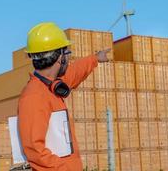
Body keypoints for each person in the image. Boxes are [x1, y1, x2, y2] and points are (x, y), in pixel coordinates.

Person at [18, 22, 110, 171]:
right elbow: (35, 151)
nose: (69, 58)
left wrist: (95, 59)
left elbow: (74, 72)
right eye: (67, 53)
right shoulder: (34, 96)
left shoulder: (49, 86)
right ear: (60, 57)